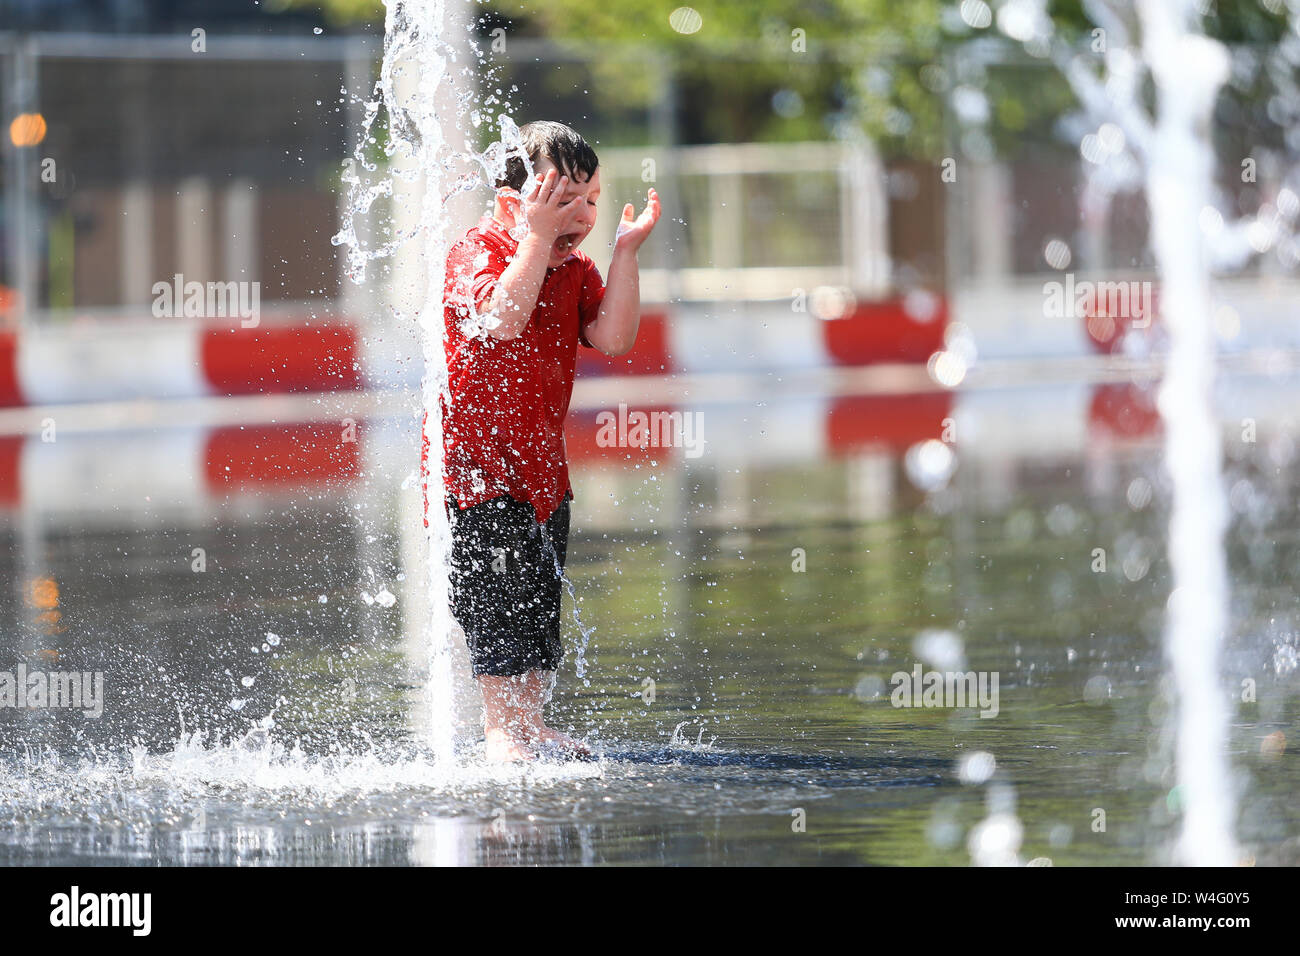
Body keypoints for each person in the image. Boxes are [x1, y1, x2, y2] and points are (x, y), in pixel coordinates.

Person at [425, 120, 660, 761]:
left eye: (590, 200)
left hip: (543, 476)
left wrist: (626, 254)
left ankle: (530, 722)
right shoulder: (475, 253)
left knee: (537, 600)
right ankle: (501, 729)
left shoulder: (577, 269)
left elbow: (613, 338)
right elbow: (501, 319)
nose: (580, 215)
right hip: (477, 476)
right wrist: (534, 239)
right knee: (497, 602)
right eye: (562, 202)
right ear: (513, 205)